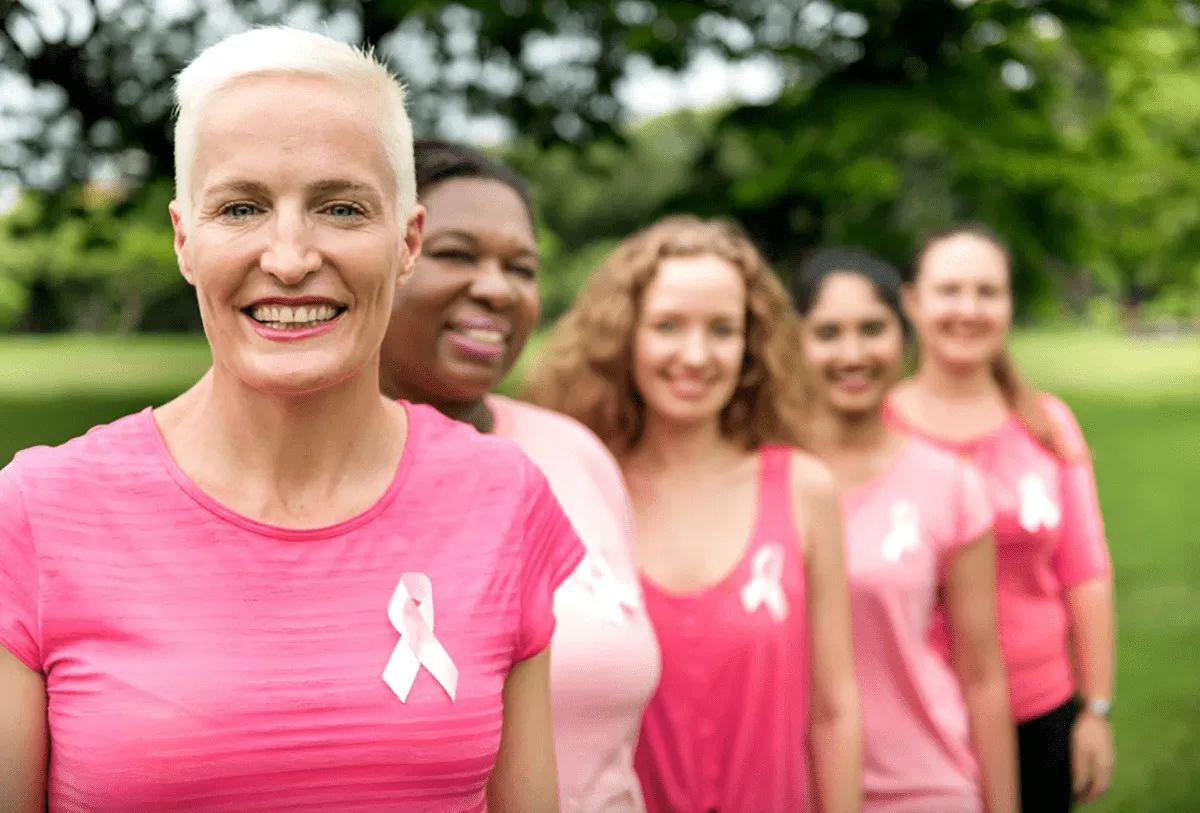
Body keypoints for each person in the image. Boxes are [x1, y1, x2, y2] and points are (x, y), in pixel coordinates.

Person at [0, 28, 583, 812]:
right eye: (241, 208)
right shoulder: (37, 511)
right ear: (185, 239)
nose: (289, 257)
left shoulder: (502, 496)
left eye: (340, 208)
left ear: (406, 241)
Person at [524, 215, 862, 813]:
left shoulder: (803, 490)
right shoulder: (581, 488)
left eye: (722, 329)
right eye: (669, 326)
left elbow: (834, 710)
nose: (696, 354)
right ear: (626, 335)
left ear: (750, 346)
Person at [378, 138, 661, 812]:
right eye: (455, 254)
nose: (497, 288)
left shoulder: (574, 455)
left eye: (521, 267)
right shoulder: (310, 482)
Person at [887, 224, 1115, 811]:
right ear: (913, 302)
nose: (968, 309)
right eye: (949, 291)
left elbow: (1085, 571)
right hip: (911, 723)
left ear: (1008, 304)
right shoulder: (877, 430)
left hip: (1039, 713)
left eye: (987, 292)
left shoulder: (1047, 424)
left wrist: (1095, 708)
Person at [791, 247, 1017, 813]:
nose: (853, 353)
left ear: (903, 336)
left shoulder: (949, 485)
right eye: (828, 333)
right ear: (795, 344)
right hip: (785, 786)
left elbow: (982, 673)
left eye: (873, 329)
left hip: (923, 786)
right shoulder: (762, 476)